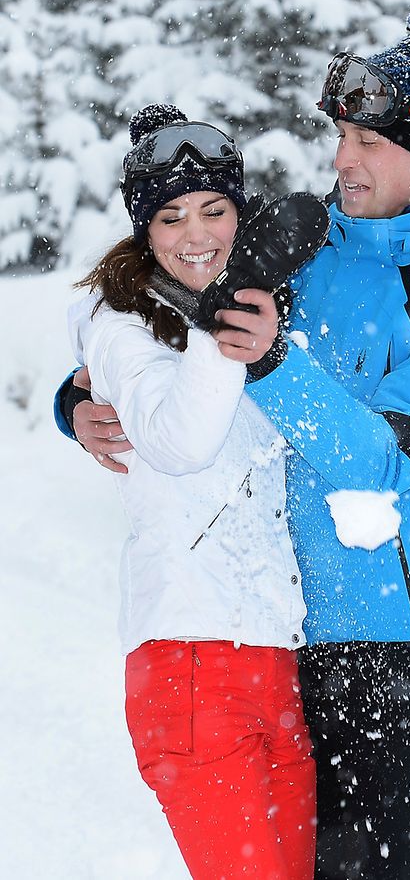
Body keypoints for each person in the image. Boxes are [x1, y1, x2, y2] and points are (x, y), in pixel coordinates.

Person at [57, 2, 410, 880]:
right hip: (287, 637)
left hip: (404, 655)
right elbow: (168, 302)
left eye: (369, 143)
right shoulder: (303, 237)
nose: (341, 158)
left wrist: (271, 359)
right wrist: (78, 398)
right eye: (341, 135)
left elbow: (381, 460)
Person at [64, 103, 318, 880]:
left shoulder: (269, 309)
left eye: (215, 210)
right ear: (144, 232)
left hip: (281, 663)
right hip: (190, 666)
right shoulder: (120, 327)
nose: (196, 234)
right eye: (170, 218)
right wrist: (228, 311)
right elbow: (177, 441)